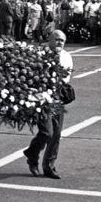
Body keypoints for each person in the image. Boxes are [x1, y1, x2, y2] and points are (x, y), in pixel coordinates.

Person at [23, 30, 73, 179]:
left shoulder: (66, 56)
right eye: (56, 39)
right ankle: (33, 154)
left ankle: (49, 166)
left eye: (62, 41)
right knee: (47, 132)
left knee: (56, 134)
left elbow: (66, 78)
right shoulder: (39, 54)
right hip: (40, 96)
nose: (59, 43)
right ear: (49, 40)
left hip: (57, 96)